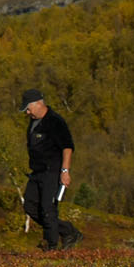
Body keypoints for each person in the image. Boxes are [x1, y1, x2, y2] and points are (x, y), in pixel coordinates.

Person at [21, 88, 81, 250]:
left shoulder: (55, 121)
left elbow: (67, 147)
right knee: (30, 206)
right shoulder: (33, 122)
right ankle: (68, 231)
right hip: (36, 172)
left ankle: (51, 246)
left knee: (48, 209)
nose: (27, 112)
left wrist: (65, 171)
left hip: (52, 172)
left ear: (38, 104)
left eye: (28, 108)